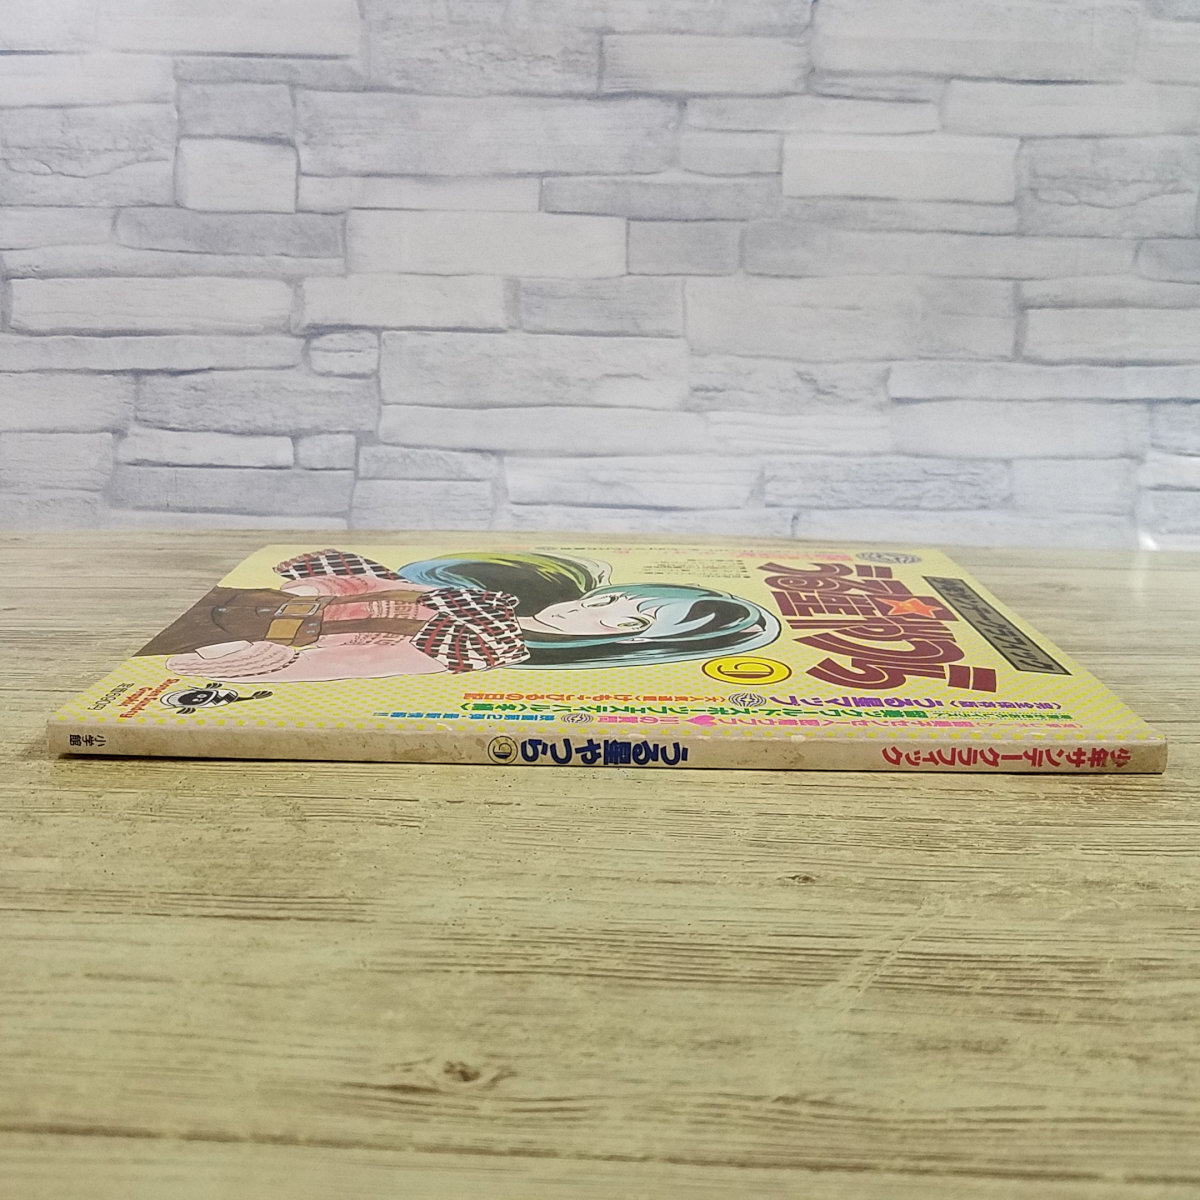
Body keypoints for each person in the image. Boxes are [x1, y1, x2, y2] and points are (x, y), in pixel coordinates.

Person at [140, 548, 780, 683]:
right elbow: (359, 577)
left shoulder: (478, 644)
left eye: (634, 624)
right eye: (617, 598)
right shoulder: (481, 599)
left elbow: (364, 661)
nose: (603, 612)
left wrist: (268, 660)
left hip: (240, 639)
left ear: (627, 645)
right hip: (246, 603)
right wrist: (322, 582)